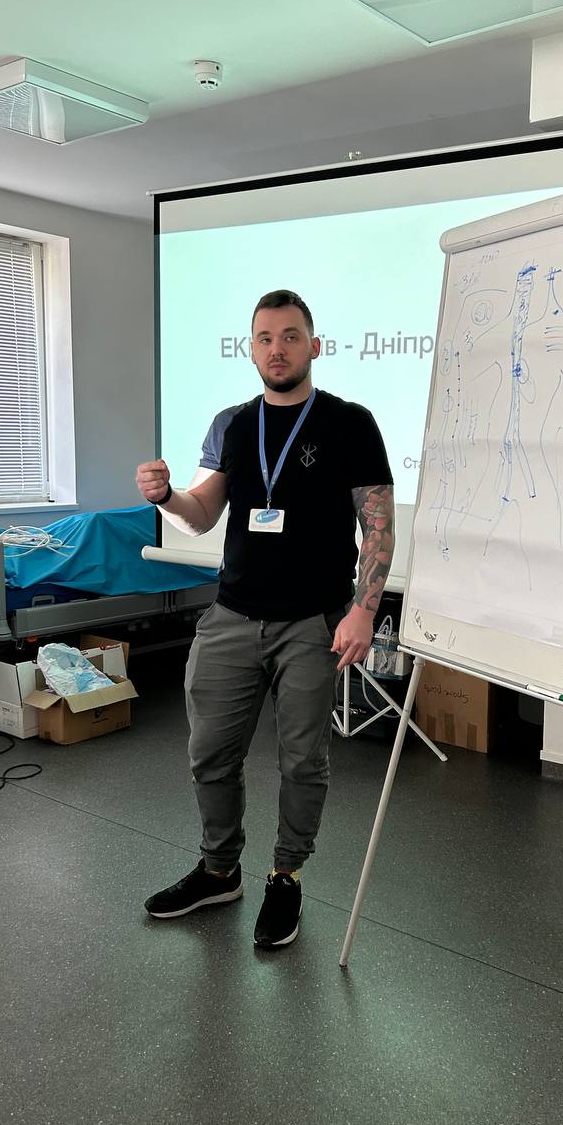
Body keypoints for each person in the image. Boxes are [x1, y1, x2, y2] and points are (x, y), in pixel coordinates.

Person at [136, 289, 394, 949]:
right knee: (209, 753)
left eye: (289, 336)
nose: (277, 349)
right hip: (231, 616)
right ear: (251, 349)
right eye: (264, 338)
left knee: (302, 762)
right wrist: (167, 497)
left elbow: (377, 527)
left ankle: (286, 875)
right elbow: (202, 514)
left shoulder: (350, 423)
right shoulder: (232, 424)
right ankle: (219, 870)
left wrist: (365, 610)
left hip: (311, 622)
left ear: (314, 345)